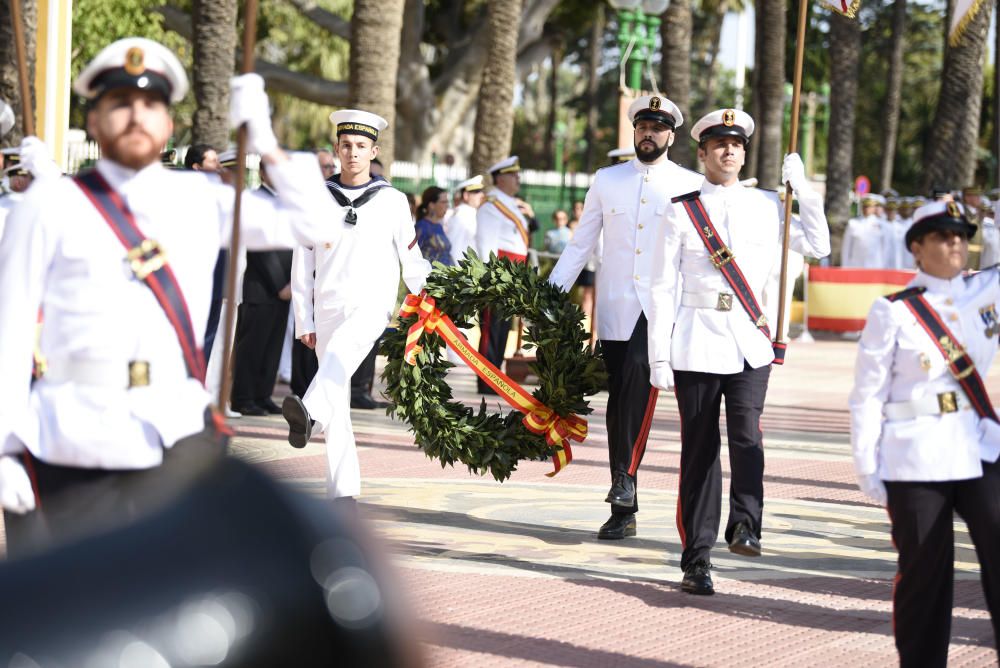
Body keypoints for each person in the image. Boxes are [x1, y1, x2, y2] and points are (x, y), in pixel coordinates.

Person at [0, 37, 337, 552]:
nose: (136, 116)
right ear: (93, 121)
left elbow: (317, 224)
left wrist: (266, 139)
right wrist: (4, 451)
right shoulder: (49, 204)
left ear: (169, 124)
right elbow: (10, 328)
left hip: (174, 430)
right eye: (119, 104)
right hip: (69, 436)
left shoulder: (200, 199)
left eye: (151, 105)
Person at [647, 108, 830, 595]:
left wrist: (805, 192)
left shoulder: (770, 204)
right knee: (700, 451)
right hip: (695, 341)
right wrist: (658, 355)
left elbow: (820, 244)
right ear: (702, 153)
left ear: (744, 152)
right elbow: (662, 287)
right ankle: (697, 557)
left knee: (748, 439)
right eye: (719, 144)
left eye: (737, 144)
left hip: (751, 341)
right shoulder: (680, 208)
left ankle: (746, 525)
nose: (729, 151)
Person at [849, 201, 1000, 666]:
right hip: (914, 456)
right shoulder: (892, 311)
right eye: (941, 236)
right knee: (924, 574)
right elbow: (867, 395)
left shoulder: (987, 291)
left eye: (960, 235)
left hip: (978, 444)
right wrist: (866, 465)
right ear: (917, 247)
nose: (955, 243)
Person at [549, 95, 703, 540]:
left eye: (657, 128)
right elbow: (581, 244)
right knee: (620, 402)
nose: (648, 135)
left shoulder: (689, 182)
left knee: (638, 378)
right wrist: (549, 294)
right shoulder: (606, 180)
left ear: (670, 135)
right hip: (615, 307)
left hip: (660, 310)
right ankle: (625, 503)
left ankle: (623, 482)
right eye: (641, 127)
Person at [283, 108, 430, 503]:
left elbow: (411, 259)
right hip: (327, 306)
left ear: (373, 151)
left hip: (370, 307)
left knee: (334, 371)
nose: (352, 153)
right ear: (336, 149)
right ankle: (343, 492)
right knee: (338, 398)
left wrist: (435, 294)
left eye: (361, 146)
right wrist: (304, 320)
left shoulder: (393, 201)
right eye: (346, 145)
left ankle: (308, 412)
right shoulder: (316, 199)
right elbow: (302, 264)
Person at [230, 163, 293, 416]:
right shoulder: (256, 200)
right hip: (262, 287)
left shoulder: (284, 203)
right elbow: (260, 249)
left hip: (286, 288)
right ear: (264, 173)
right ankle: (243, 397)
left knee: (272, 347)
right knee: (252, 346)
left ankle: (263, 394)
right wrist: (280, 285)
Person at [475, 155, 537, 394]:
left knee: (503, 329)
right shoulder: (492, 206)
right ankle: (487, 379)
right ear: (500, 178)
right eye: (513, 175)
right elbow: (485, 246)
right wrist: (490, 279)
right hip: (498, 275)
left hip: (513, 275)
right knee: (492, 329)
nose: (517, 178)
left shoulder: (510, 203)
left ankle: (494, 376)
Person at [445, 174, 485, 264]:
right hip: (463, 270)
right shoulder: (461, 215)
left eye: (481, 191)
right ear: (466, 195)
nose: (482, 195)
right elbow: (454, 246)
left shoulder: (472, 213)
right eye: (477, 191)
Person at [841, 194, 886, 268]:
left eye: (869, 206)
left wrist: (883, 267)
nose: (867, 209)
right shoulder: (853, 223)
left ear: (874, 207)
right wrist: (845, 265)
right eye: (865, 206)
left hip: (875, 266)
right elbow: (846, 247)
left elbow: (885, 248)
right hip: (856, 266)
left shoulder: (881, 224)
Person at [414, 185, 453, 266]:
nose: (447, 205)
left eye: (447, 202)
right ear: (431, 205)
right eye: (443, 202)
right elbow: (415, 257)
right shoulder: (422, 227)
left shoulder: (439, 226)